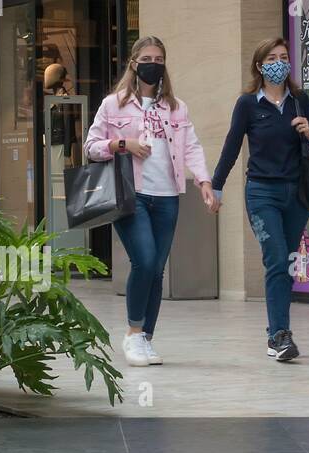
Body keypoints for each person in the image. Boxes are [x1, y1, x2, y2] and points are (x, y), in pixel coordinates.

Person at [84, 36, 216, 367]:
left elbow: (191, 147)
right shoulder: (113, 104)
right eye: (147, 58)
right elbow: (90, 146)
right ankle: (133, 332)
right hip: (132, 194)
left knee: (157, 269)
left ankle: (146, 338)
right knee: (143, 260)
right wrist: (121, 144)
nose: (153, 64)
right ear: (133, 62)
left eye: (159, 58)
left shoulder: (176, 107)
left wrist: (204, 181)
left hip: (168, 196)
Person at [208, 37, 309, 362]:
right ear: (260, 66)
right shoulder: (247, 104)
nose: (279, 62)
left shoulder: (299, 100)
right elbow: (232, 146)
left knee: (286, 262)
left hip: (296, 193)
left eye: (284, 56)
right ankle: (279, 336)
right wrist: (215, 187)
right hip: (261, 192)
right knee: (275, 259)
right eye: (272, 57)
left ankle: (278, 332)